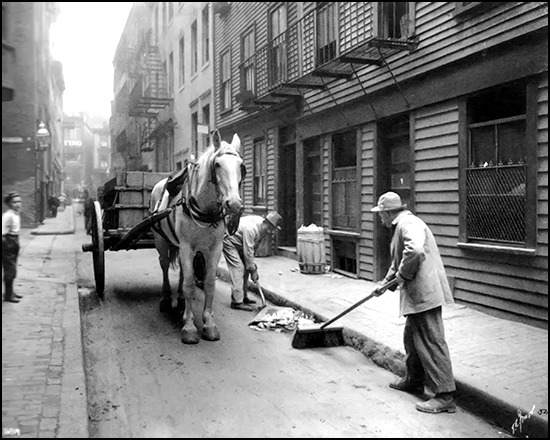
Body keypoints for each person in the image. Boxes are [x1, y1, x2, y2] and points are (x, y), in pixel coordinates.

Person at [371, 192, 456, 414]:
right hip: (417, 293)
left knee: (431, 341)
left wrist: (402, 276)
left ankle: (445, 395)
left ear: (389, 212)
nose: (380, 219)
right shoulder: (401, 226)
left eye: (381, 214)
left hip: (425, 293)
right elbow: (399, 262)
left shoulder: (408, 223)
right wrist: (386, 283)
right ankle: (414, 379)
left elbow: (415, 251)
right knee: (411, 338)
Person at [222, 211, 283, 311]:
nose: (269, 231)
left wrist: (252, 268)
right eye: (269, 228)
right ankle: (237, 302)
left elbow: (253, 248)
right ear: (265, 222)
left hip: (241, 242)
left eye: (272, 229)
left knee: (247, 268)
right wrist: (252, 269)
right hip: (229, 241)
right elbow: (248, 251)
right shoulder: (251, 228)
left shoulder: (263, 229)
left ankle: (244, 296)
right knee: (238, 268)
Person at [2, 192, 23, 303]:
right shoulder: (8, 215)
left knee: (13, 270)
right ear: (9, 203)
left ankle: (10, 292)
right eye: (14, 202)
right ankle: (8, 296)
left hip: (14, 241)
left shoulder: (16, 214)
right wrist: (7, 245)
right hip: (8, 242)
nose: (17, 204)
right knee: (10, 270)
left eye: (19, 201)